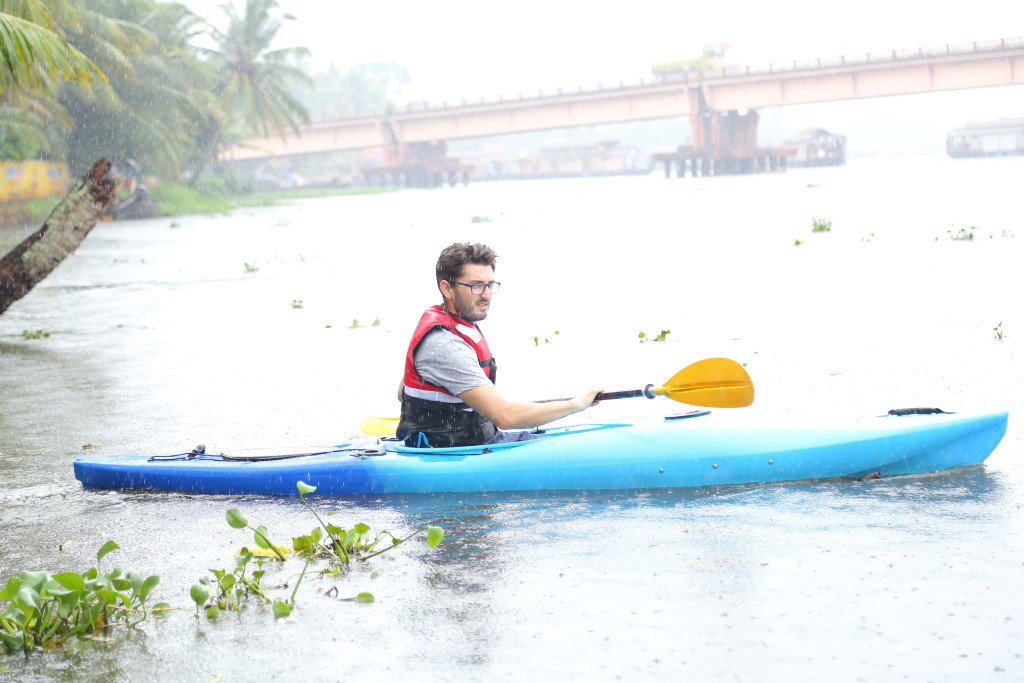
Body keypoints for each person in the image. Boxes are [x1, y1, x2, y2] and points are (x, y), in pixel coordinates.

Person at [397, 242, 601, 448]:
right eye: (476, 285)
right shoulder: (445, 345)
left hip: (471, 443)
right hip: (453, 454)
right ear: (447, 288)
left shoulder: (456, 325)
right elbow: (505, 416)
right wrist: (577, 405)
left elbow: (402, 393)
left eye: (490, 285)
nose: (486, 294)